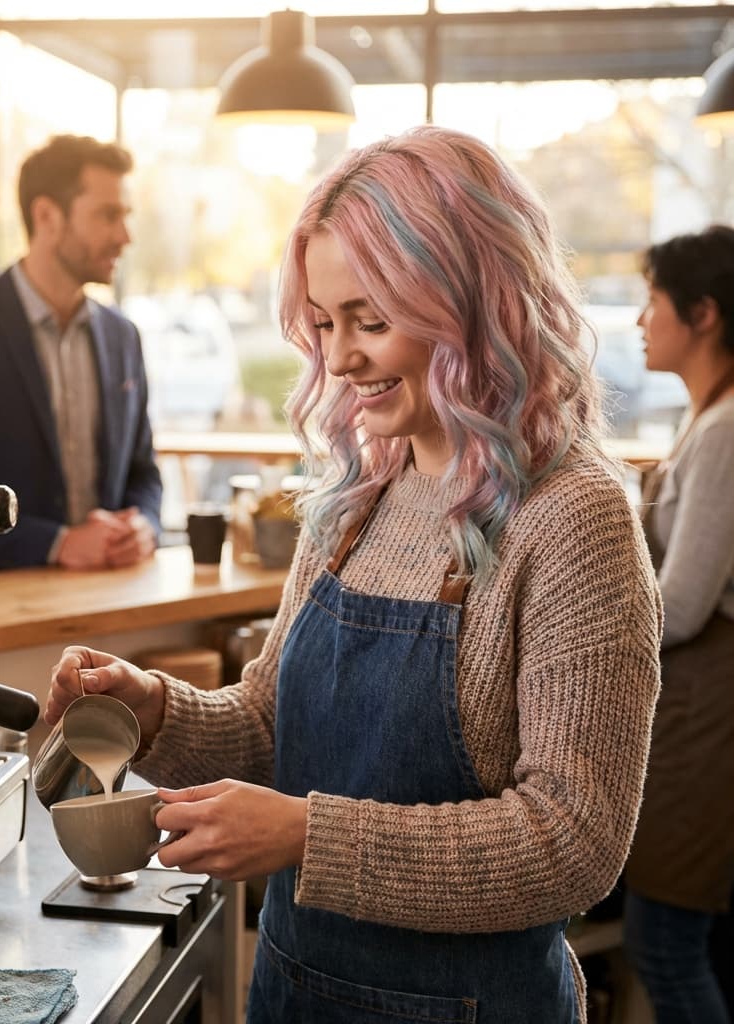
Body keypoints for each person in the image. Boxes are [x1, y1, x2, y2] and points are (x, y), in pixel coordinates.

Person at [44, 126, 662, 1023]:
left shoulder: (574, 518)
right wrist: (157, 712)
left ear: (476, 299)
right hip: (293, 989)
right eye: (326, 324)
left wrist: (305, 834)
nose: (338, 359)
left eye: (371, 321)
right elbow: (269, 727)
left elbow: (573, 846)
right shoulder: (357, 496)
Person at [0, 134, 162, 576]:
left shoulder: (123, 336)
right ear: (47, 216)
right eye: (108, 215)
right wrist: (56, 544)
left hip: (109, 600)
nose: (125, 236)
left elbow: (144, 472)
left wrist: (145, 525)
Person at [621, 225, 734, 1024]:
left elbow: (685, 604)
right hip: (695, 710)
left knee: (665, 939)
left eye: (651, 301)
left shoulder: (727, 431)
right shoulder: (710, 418)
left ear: (702, 313)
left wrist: (589, 629)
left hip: (708, 714)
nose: (638, 320)